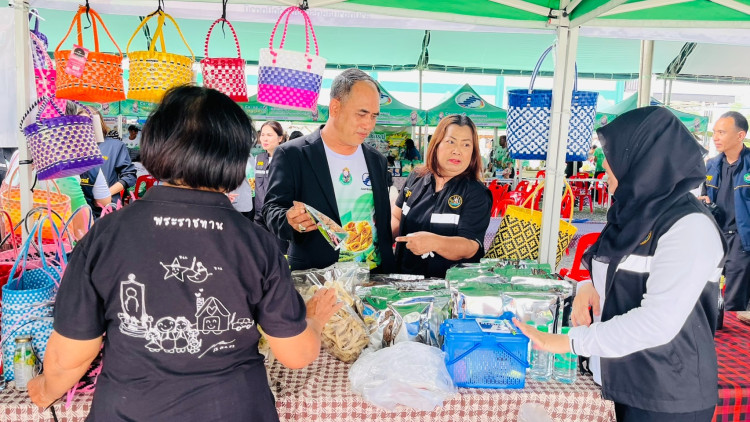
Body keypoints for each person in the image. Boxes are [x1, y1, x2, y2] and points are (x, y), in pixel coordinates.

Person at [27, 86, 341, 422]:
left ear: (155, 145)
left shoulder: (106, 234)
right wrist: (314, 320)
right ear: (236, 160)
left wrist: (44, 389)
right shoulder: (257, 243)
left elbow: (70, 356)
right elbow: (296, 354)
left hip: (130, 411)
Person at [516, 107, 726, 422]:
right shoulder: (635, 213)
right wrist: (588, 286)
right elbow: (619, 268)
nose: (605, 172)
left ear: (645, 160)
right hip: (621, 381)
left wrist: (568, 342)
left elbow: (657, 322)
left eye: (611, 161)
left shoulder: (689, 226)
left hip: (665, 394)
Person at [263, 68, 395, 272]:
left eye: (374, 116)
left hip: (373, 275)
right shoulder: (292, 154)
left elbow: (382, 221)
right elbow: (271, 209)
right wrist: (289, 219)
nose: (368, 124)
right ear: (335, 107)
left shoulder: (377, 160)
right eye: (361, 114)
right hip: (318, 277)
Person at [391, 114, 491, 278]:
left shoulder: (476, 193)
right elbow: (396, 216)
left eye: (466, 144)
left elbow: (470, 246)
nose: (457, 151)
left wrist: (435, 242)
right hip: (404, 280)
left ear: (473, 152)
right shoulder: (416, 178)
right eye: (451, 142)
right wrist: (378, 237)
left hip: (449, 286)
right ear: (436, 144)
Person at [699, 111, 750, 311]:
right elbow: (704, 196)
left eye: (722, 132)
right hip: (715, 237)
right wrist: (703, 202)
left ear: (740, 135)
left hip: (742, 241)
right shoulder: (711, 165)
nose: (716, 138)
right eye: (714, 132)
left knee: (734, 302)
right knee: (707, 294)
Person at [81, 112, 137, 215]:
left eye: (89, 121)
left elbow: (129, 176)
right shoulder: (73, 148)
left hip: (107, 209)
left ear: (99, 122)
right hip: (80, 209)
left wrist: (105, 194)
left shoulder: (115, 146)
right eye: (80, 122)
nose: (85, 125)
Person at [253, 121, 289, 251]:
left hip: (277, 216)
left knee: (279, 252)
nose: (264, 139)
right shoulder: (258, 158)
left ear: (280, 138)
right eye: (262, 135)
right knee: (260, 251)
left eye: (269, 135)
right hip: (259, 216)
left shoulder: (287, 159)